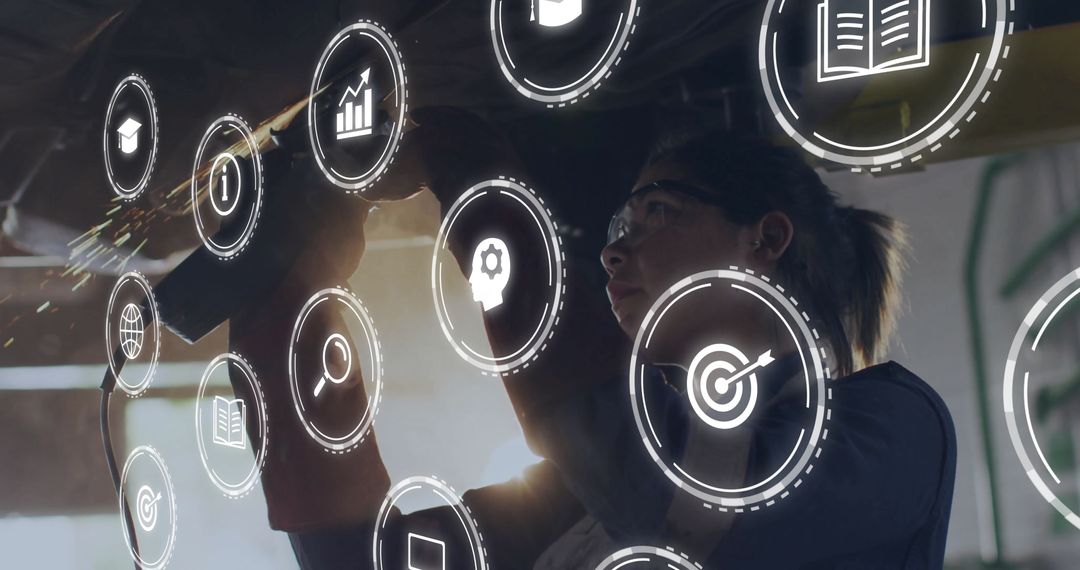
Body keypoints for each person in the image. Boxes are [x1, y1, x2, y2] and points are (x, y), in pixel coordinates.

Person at [230, 109, 956, 569]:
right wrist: (289, 295)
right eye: (618, 227)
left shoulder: (897, 432)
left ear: (765, 239)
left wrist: (472, 171)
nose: (614, 251)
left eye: (657, 212)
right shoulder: (586, 505)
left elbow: (674, 497)